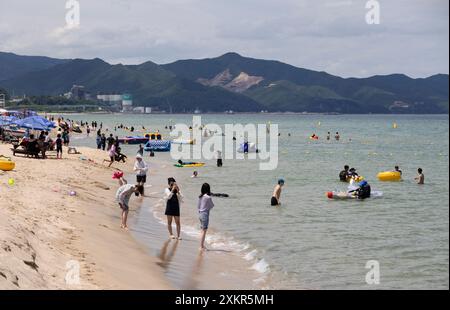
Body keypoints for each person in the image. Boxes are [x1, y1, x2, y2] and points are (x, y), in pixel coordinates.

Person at [198, 183, 214, 250]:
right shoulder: (208, 197)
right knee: (204, 231)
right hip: (205, 214)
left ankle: (202, 245)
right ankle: (201, 246)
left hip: (200, 214)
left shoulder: (200, 196)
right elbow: (212, 205)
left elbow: (198, 206)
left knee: (202, 230)